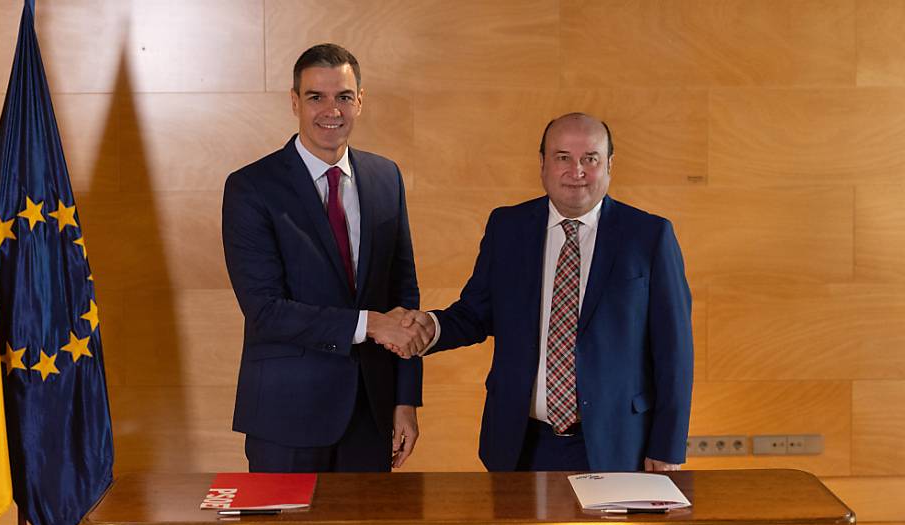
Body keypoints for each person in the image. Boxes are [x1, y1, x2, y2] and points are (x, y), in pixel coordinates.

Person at [397, 113, 693, 472]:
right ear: (542, 164)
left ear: (609, 165)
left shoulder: (649, 236)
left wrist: (667, 446)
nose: (576, 171)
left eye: (590, 159)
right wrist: (430, 327)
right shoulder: (508, 227)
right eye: (563, 157)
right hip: (520, 443)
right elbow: (475, 314)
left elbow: (674, 352)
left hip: (617, 444)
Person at [222, 44, 429, 472]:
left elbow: (404, 295)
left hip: (371, 412)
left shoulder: (385, 178)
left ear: (360, 101)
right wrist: (370, 324)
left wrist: (405, 399)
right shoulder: (251, 187)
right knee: (285, 522)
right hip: (285, 414)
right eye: (316, 96)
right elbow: (265, 310)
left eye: (344, 97)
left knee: (367, 521)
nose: (331, 111)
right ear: (295, 101)